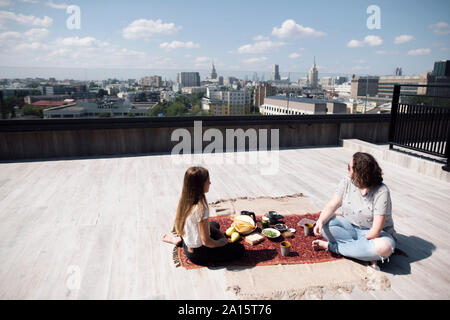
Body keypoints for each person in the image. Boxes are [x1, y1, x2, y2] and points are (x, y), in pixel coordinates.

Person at [312, 152, 397, 268]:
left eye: (349, 167)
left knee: (385, 248)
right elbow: (332, 205)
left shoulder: (381, 191)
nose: (347, 169)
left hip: (376, 235)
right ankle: (365, 254)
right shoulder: (347, 182)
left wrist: (363, 242)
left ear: (359, 173)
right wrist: (320, 221)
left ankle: (331, 247)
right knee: (325, 225)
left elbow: (376, 230)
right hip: (349, 227)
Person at [162, 166, 244, 265]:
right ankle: (182, 241)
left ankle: (179, 240)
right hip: (199, 255)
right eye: (208, 181)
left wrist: (219, 235)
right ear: (200, 185)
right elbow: (206, 242)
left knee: (214, 224)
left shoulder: (185, 200)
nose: (210, 183)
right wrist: (220, 242)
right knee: (239, 249)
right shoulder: (201, 208)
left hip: (187, 245)